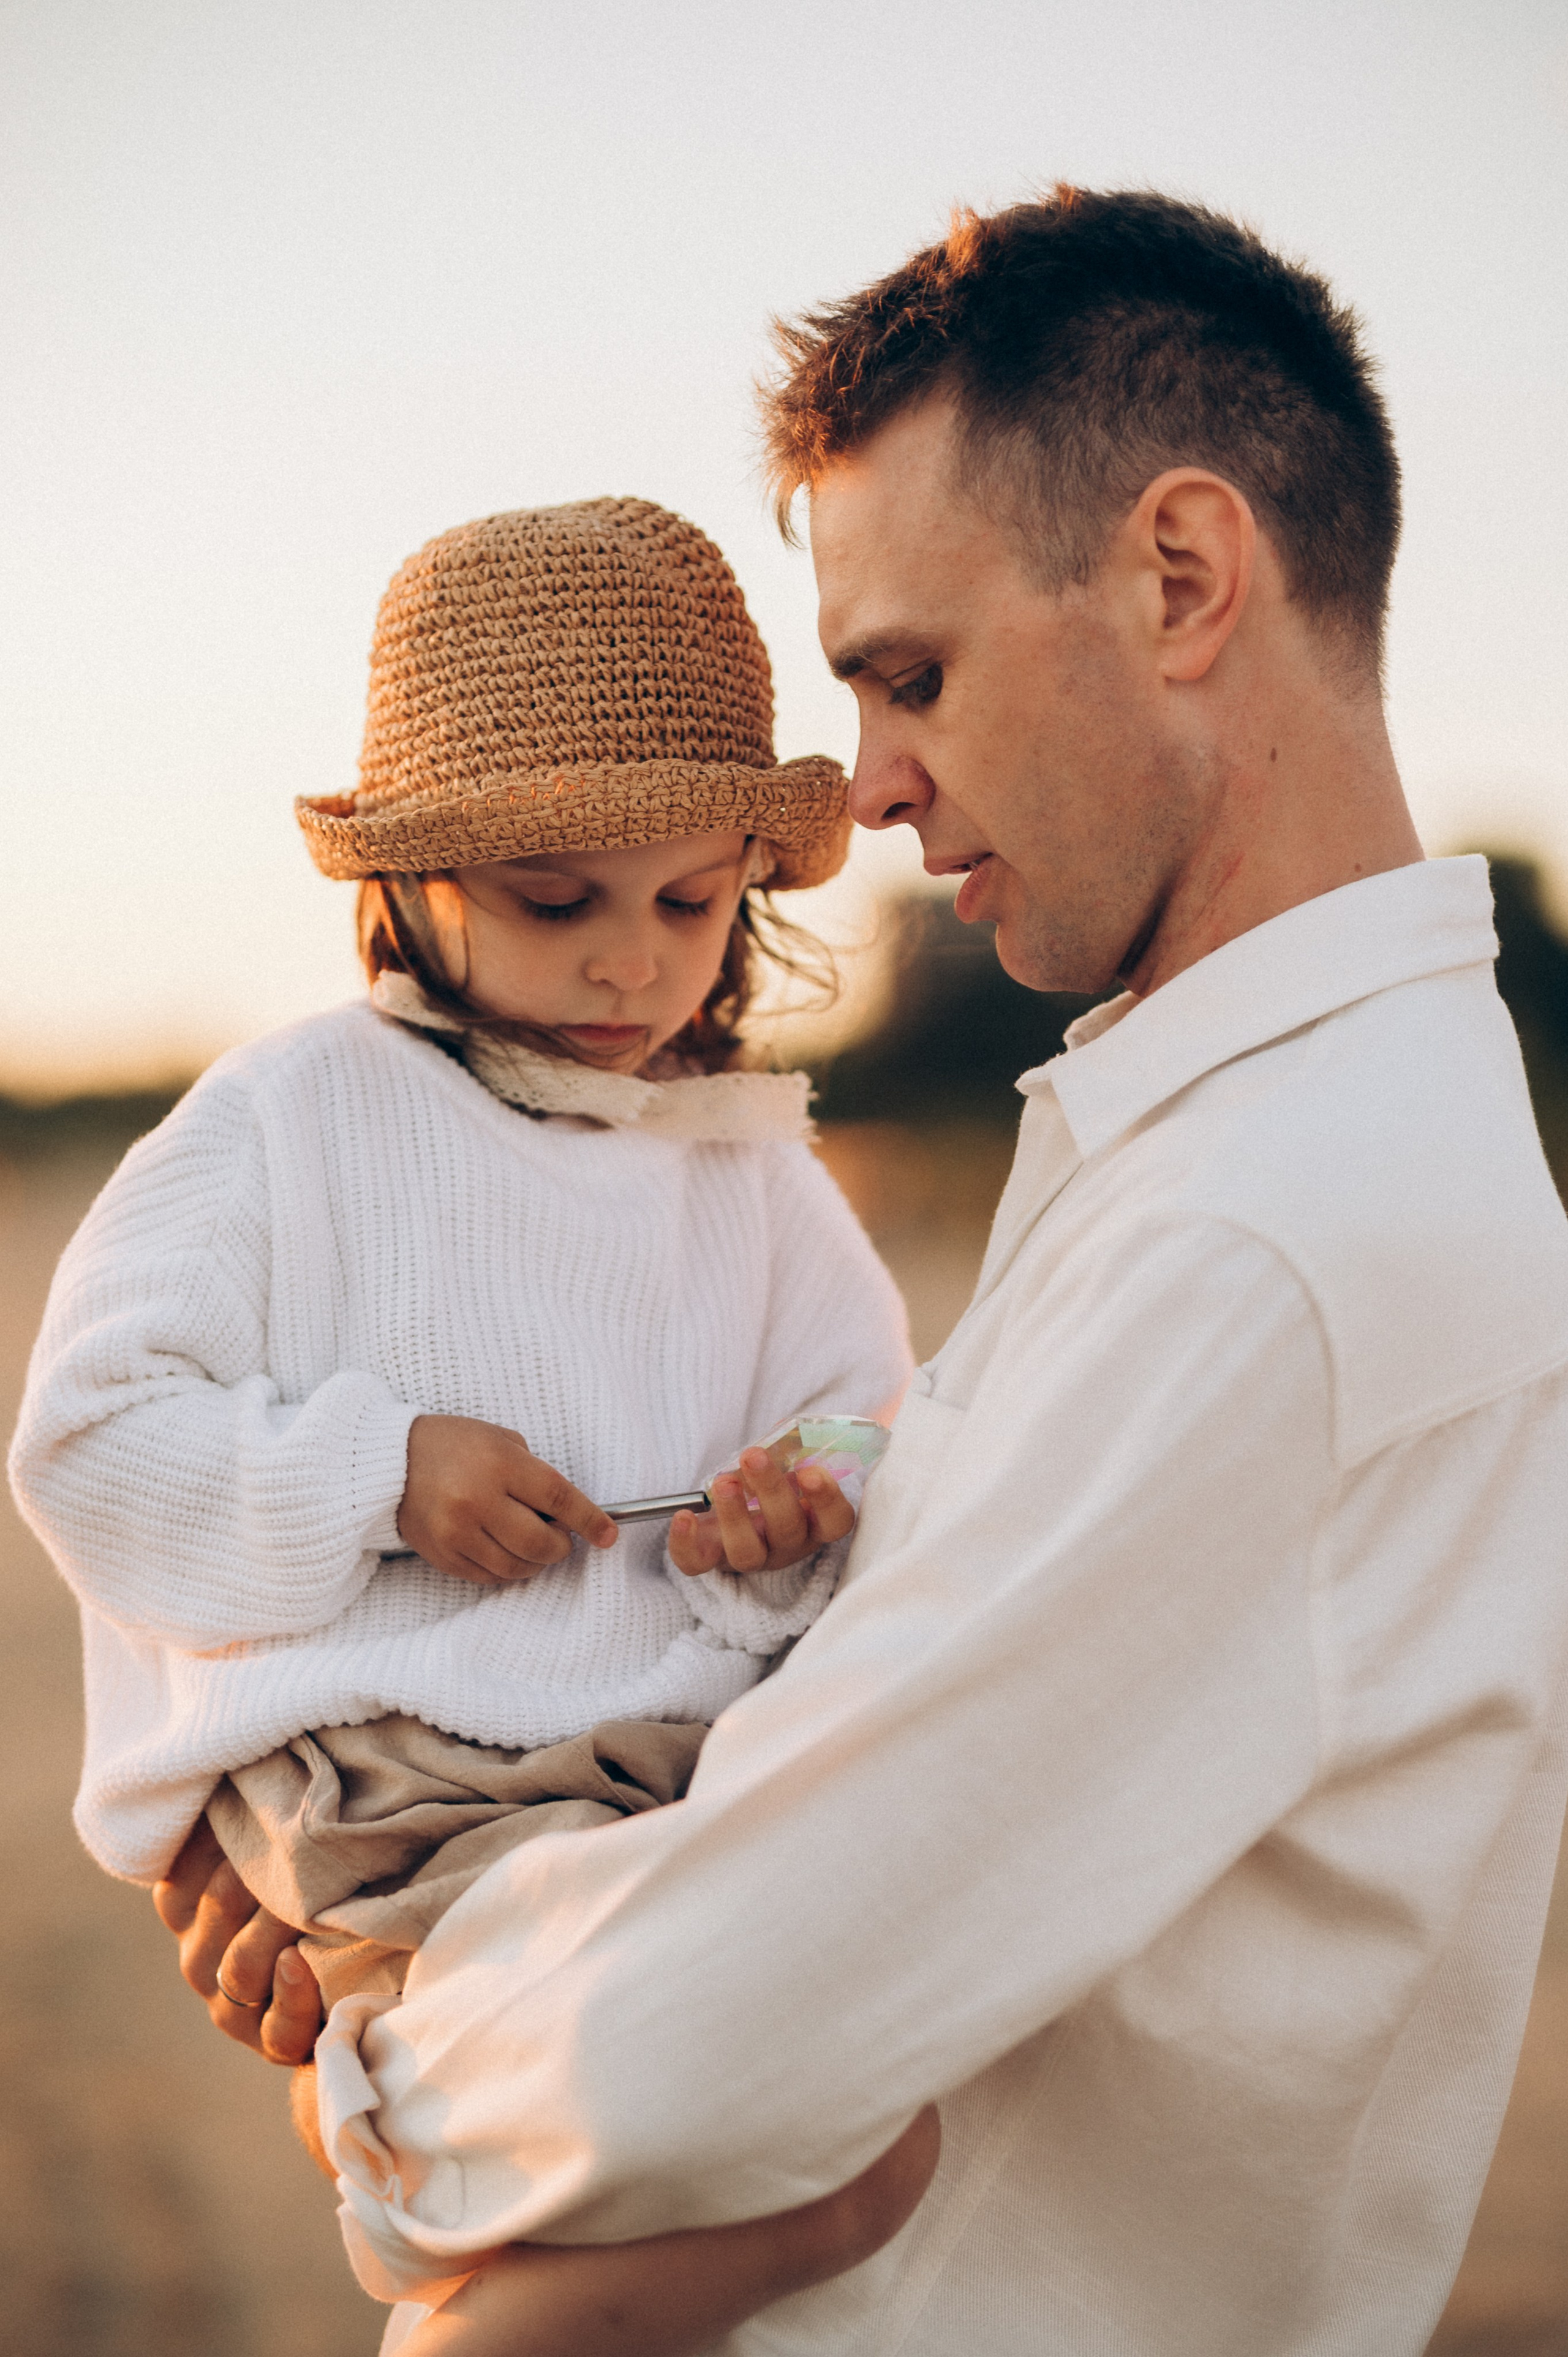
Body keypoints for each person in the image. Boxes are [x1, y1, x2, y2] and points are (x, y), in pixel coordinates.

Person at [155, 190, 1568, 2357]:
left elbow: (702, 2041)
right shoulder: (1255, 1140)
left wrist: (391, 2054)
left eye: (910, 676)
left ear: (1184, 579)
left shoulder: (1270, 1233)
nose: (876, 787)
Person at [8, 498, 933, 2334]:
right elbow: (89, 1445)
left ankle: (479, 2223)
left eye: (688, 902)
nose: (629, 965)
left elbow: (864, 1423)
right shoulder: (293, 1120)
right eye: (553, 901)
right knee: (707, 2101)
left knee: (882, 2070)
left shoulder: (744, 1169)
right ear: (413, 876)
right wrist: (379, 1472)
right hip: (402, 1784)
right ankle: (438, 2219)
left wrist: (790, 1513)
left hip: (677, 1768)